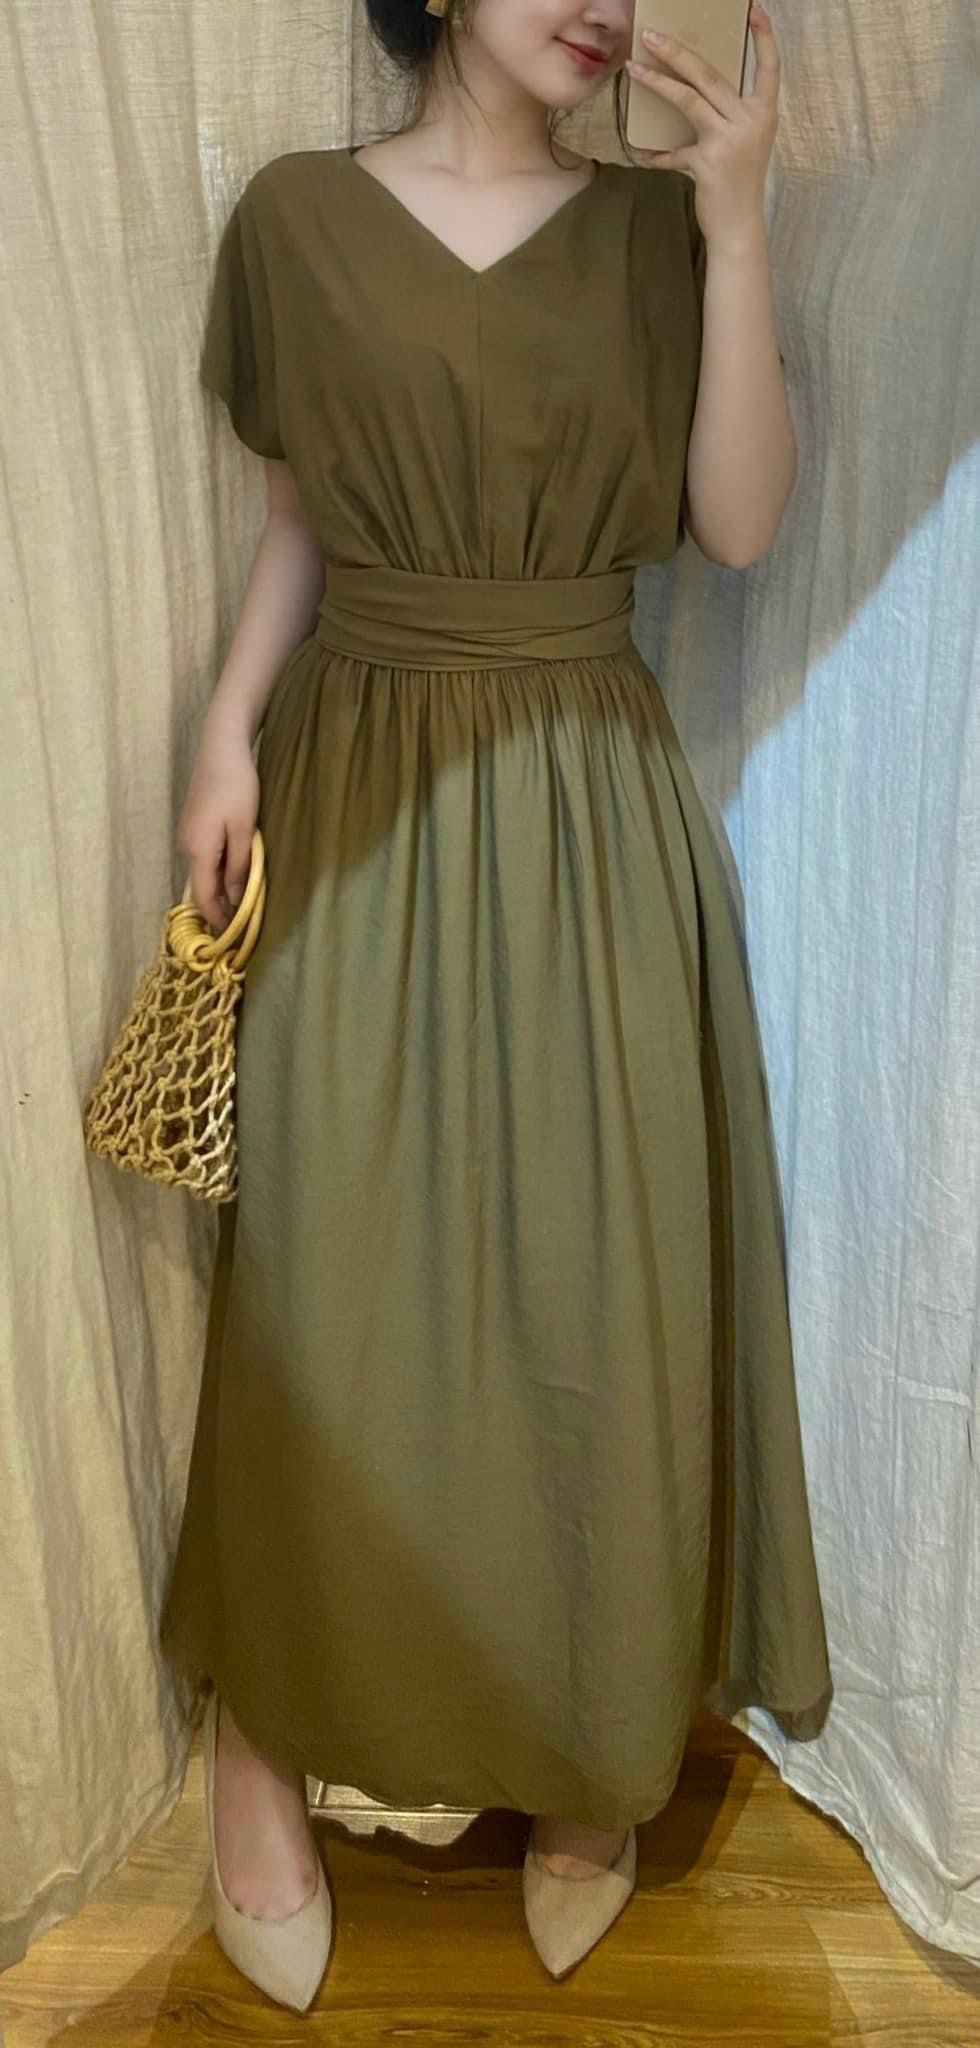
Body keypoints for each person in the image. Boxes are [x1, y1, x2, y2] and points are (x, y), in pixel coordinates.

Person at [160, 0, 833, 2011]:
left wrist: (736, 228)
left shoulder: (654, 233)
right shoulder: (298, 219)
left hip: (582, 806)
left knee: (588, 1292)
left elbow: (739, 526)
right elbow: (302, 515)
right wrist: (225, 732)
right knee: (326, 1279)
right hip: (360, 776)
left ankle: (588, 1752)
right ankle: (262, 1744)